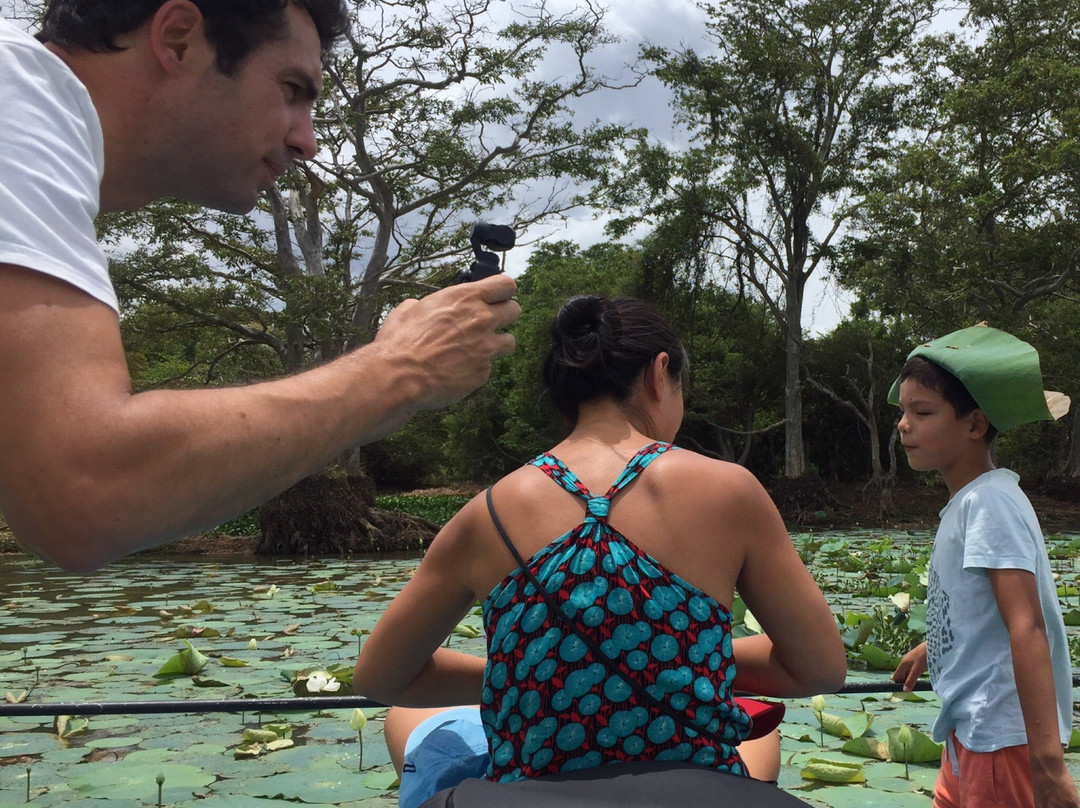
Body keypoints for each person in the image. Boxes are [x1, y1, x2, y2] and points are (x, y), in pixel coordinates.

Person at [0, 1, 520, 573]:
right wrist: (405, 369)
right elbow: (86, 494)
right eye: (291, 88)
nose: (308, 141)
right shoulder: (18, 98)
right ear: (177, 40)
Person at [353, 295, 846, 807]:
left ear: (565, 395)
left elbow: (382, 677)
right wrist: (675, 665)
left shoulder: (486, 511)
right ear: (659, 373)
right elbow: (819, 669)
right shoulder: (729, 489)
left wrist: (522, 671)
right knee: (764, 741)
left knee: (408, 726)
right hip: (696, 791)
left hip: (529, 795)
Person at [888, 325, 1077, 808]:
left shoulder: (990, 503)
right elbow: (985, 610)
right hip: (968, 732)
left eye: (922, 412)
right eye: (902, 412)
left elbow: (1026, 626)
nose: (903, 424)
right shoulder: (972, 501)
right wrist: (935, 645)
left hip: (1000, 738)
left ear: (974, 425)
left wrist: (1048, 765)